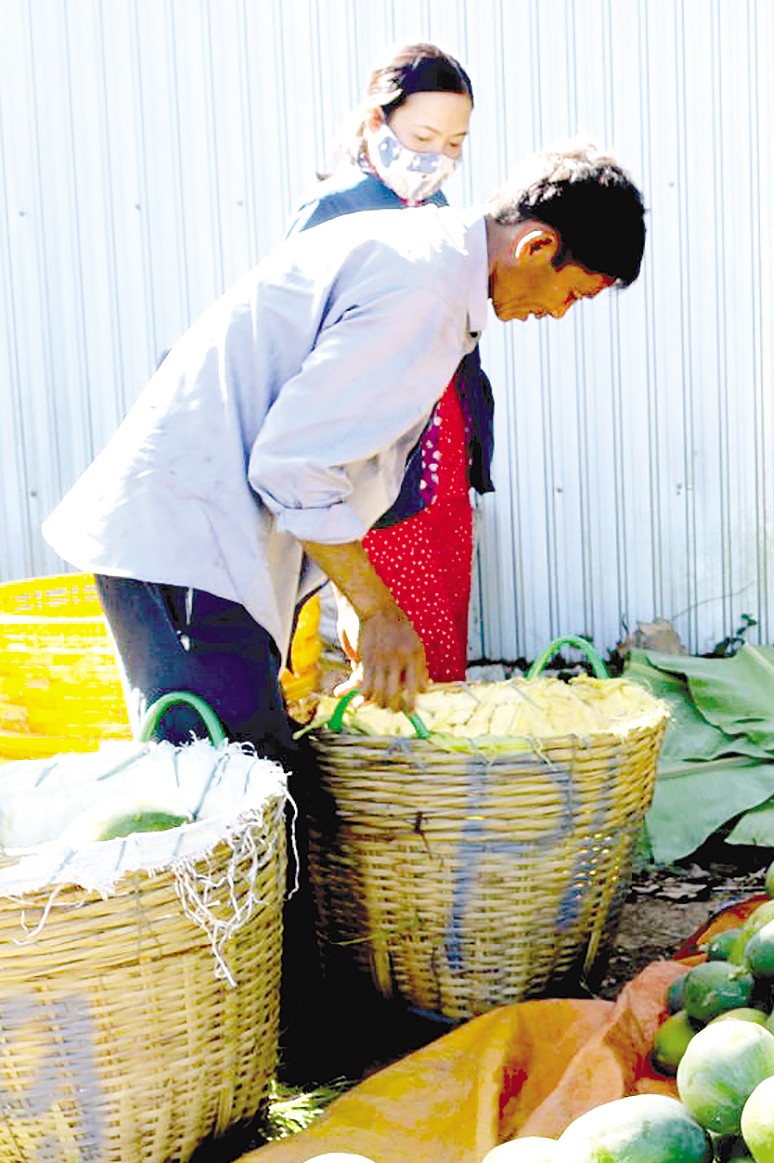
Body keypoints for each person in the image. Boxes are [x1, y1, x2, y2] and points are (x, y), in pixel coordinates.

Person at [44, 142, 647, 765]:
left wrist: (353, 595)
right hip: (186, 541)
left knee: (256, 779)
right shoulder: (425, 293)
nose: (556, 314)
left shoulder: (425, 256)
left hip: (198, 535)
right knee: (231, 790)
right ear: (538, 248)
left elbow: (326, 453)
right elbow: (295, 465)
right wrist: (376, 609)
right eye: (573, 296)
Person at [287, 42, 492, 686]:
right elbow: (300, 356)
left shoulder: (435, 211)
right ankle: (391, 774)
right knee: (393, 619)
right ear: (379, 123)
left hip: (440, 438)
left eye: (454, 145)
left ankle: (440, 765)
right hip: (368, 449)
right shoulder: (329, 213)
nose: (436, 159)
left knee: (444, 603)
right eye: (423, 136)